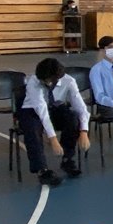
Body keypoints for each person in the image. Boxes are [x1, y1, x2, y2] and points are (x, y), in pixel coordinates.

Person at [17, 58, 91, 186]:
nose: (44, 82)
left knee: (72, 117)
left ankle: (67, 159)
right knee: (32, 128)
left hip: (55, 107)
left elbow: (81, 107)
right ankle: (42, 170)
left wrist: (83, 131)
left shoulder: (69, 81)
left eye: (47, 80)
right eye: (42, 80)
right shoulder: (33, 82)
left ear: (57, 78)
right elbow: (42, 111)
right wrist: (53, 139)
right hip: (32, 110)